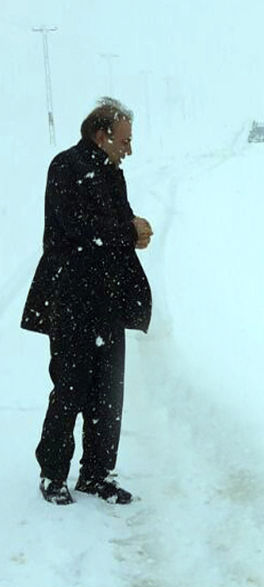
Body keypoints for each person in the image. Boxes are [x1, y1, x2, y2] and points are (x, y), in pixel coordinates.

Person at [21, 97, 153, 505]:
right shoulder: (66, 167)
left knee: (108, 392)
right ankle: (53, 474)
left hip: (107, 300)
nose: (128, 150)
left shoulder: (114, 174)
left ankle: (97, 474)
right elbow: (80, 229)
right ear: (102, 134)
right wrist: (128, 231)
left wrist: (135, 230)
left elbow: (117, 226)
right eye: (125, 140)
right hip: (71, 298)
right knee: (70, 386)